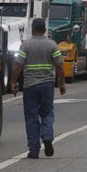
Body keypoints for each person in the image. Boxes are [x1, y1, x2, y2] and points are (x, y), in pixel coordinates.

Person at [11, 18, 66, 159]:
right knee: (47, 113)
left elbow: (18, 66)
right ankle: (47, 136)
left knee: (31, 117)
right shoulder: (52, 45)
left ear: (33, 29)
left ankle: (34, 150)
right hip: (47, 85)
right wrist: (62, 83)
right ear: (45, 30)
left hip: (30, 86)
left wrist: (13, 82)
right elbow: (59, 65)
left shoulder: (26, 45)